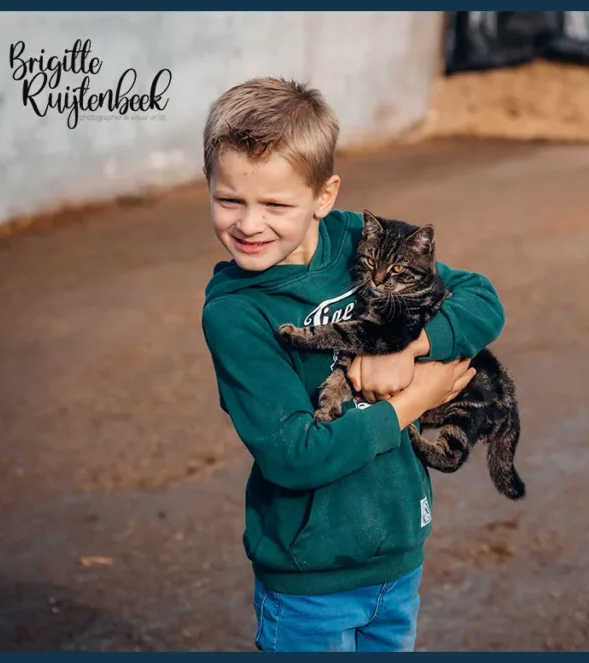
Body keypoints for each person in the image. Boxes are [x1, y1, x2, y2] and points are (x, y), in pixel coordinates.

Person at [199, 76, 506, 652]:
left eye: (275, 204)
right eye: (230, 200)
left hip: (399, 554)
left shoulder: (359, 242)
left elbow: (481, 297)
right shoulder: (236, 314)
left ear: (324, 196)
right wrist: (415, 401)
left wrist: (410, 349)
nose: (249, 223)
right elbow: (294, 455)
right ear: (209, 185)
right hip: (310, 580)